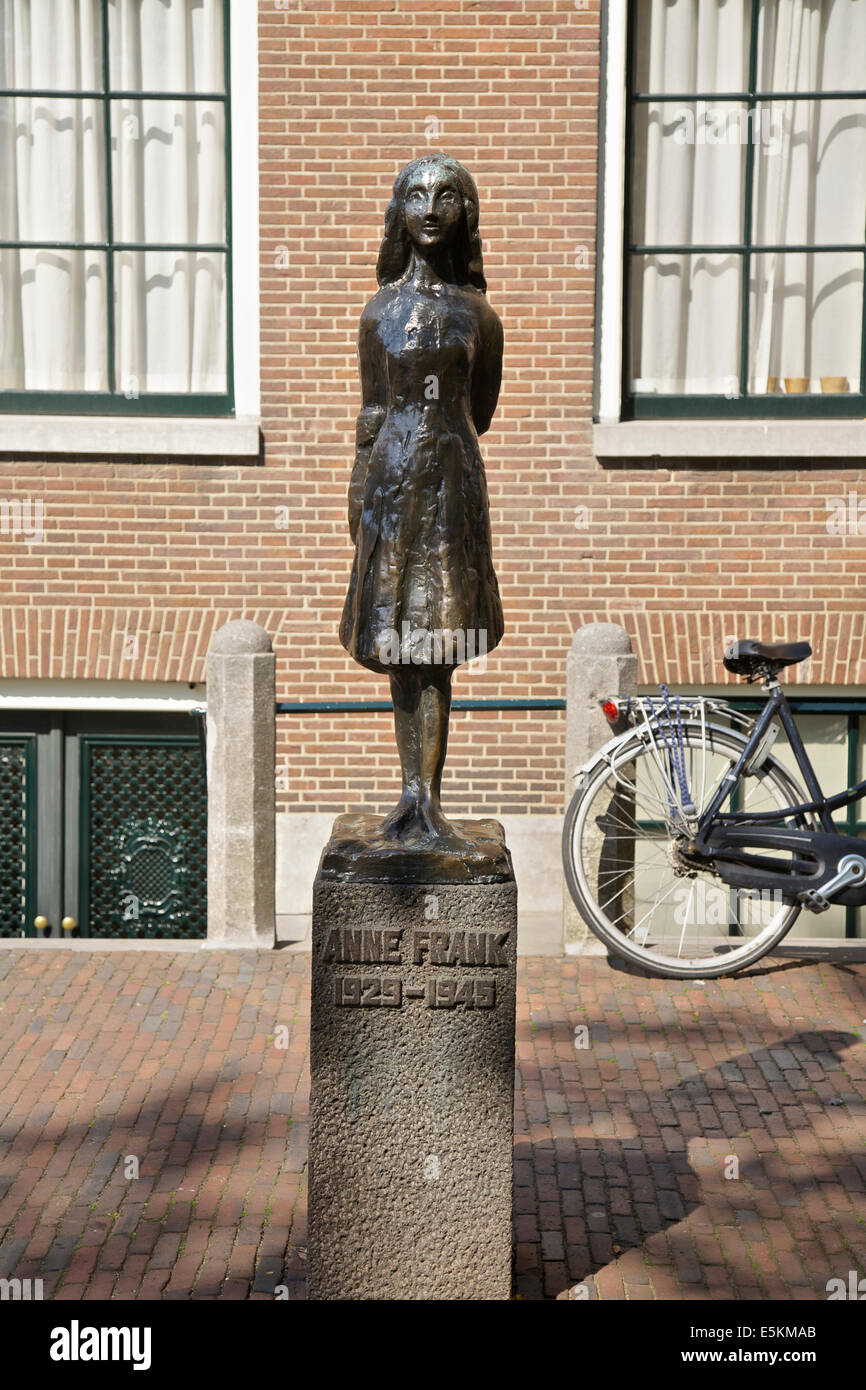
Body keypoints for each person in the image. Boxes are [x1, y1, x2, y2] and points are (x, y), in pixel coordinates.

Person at [339, 153, 504, 846]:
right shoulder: (378, 312)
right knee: (399, 643)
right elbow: (372, 412)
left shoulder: (478, 317)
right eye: (416, 196)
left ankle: (429, 801)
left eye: (446, 196)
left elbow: (481, 409)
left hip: (452, 485)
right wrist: (359, 495)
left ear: (464, 213)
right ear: (399, 213)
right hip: (390, 482)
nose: (431, 208)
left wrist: (439, 448)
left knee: (439, 641)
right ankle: (410, 796)